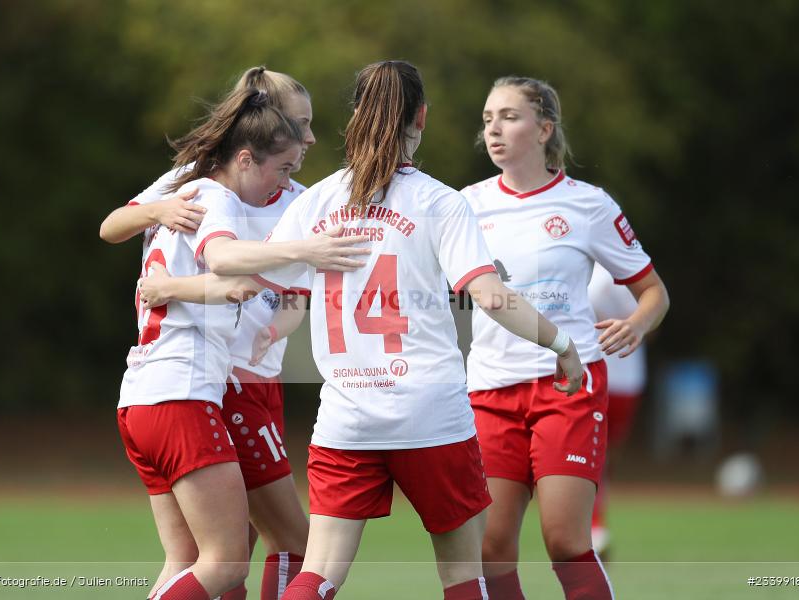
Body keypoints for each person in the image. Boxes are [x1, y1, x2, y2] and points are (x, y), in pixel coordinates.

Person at [140, 60, 585, 600]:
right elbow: (491, 295)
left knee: (318, 574)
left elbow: (241, 274)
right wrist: (561, 344)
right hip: (432, 416)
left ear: (355, 116)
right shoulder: (441, 201)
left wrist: (169, 287)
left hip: (347, 418)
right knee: (462, 575)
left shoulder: (316, 202)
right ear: (421, 116)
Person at [117, 86, 368, 600]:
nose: (309, 141)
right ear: (249, 148)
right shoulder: (214, 196)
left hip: (144, 391)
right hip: (190, 388)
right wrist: (308, 249)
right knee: (233, 559)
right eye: (296, 131)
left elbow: (237, 283)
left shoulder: (194, 188)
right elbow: (229, 268)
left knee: (196, 558)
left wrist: (171, 285)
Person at [461, 76, 670, 599]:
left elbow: (654, 292)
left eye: (509, 116)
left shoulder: (589, 205)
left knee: (565, 539)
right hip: (488, 390)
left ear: (544, 128)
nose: (494, 129)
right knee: (490, 546)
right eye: (488, 119)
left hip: (567, 386)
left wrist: (637, 323)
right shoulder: (463, 205)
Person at [587, 262, 649, 559]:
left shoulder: (598, 273)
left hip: (601, 375)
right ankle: (595, 526)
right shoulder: (627, 266)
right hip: (627, 376)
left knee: (593, 457)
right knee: (601, 457)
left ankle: (594, 526)